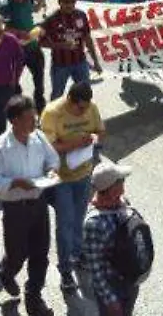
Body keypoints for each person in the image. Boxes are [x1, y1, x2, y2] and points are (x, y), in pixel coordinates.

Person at [0, 94, 59, 316]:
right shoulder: (0, 147)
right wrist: (15, 183)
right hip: (15, 209)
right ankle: (6, 271)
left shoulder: (38, 138)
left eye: (34, 117)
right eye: (29, 118)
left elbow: (53, 160)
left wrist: (51, 171)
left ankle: (33, 298)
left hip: (38, 205)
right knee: (17, 254)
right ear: (14, 120)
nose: (34, 122)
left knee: (40, 254)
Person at [41, 81, 105, 291]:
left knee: (79, 219)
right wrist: (76, 144)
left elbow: (99, 131)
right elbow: (48, 147)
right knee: (65, 224)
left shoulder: (91, 107)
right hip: (61, 178)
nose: (84, 112)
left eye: (86, 107)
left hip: (84, 174)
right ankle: (66, 270)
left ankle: (78, 254)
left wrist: (94, 142)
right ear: (70, 99)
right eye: (80, 108)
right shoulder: (52, 113)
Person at [82, 162, 145, 316]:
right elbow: (96, 269)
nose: (124, 185)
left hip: (130, 280)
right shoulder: (93, 224)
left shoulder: (124, 203)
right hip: (112, 287)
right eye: (121, 182)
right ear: (111, 190)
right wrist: (110, 300)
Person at [40, 0, 102, 100]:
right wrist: (60, 45)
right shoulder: (51, 20)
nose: (70, 5)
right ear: (59, 2)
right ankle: (53, 117)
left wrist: (96, 61)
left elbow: (87, 38)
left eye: (73, 1)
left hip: (80, 62)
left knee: (85, 94)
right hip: (60, 65)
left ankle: (81, 116)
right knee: (57, 96)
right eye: (66, 2)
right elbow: (40, 42)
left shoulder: (81, 16)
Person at [0, 0, 48, 110]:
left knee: (39, 82)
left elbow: (34, 10)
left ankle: (40, 109)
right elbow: (2, 28)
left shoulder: (27, 0)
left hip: (33, 46)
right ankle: (19, 110)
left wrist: (41, 1)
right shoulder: (6, 6)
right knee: (14, 84)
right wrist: (19, 32)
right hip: (16, 50)